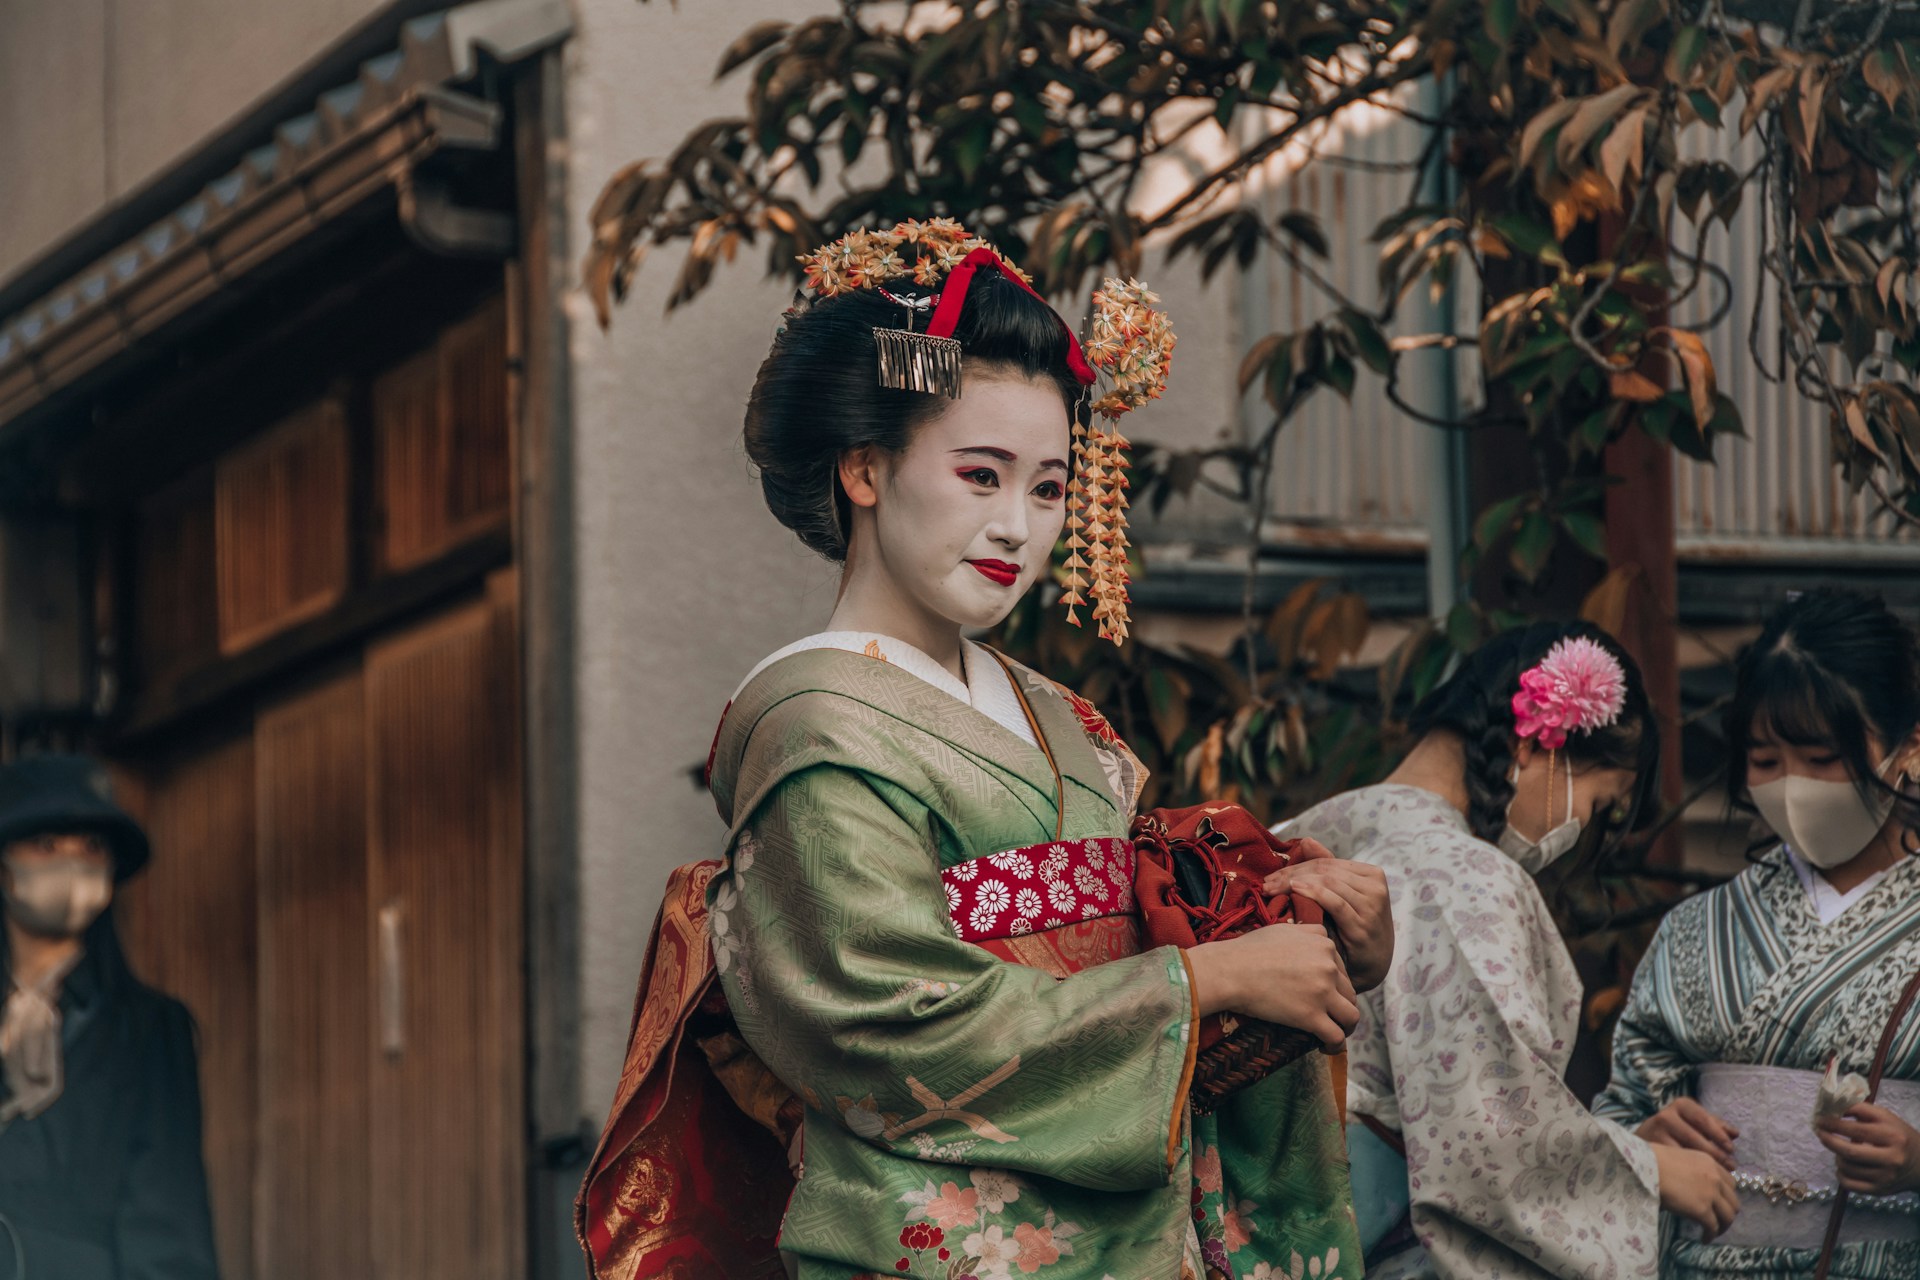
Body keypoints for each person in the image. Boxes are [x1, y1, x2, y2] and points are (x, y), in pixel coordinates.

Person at [578, 220, 1394, 1280]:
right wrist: (1201, 982)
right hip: (934, 1238)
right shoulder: (816, 725)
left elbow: (1153, 923)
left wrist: (1300, 930)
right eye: (980, 474)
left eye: (1050, 488)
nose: (1018, 525)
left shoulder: (1058, 715)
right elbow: (884, 1019)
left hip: (1136, 1232)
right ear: (865, 469)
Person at [1277, 621, 1738, 1278]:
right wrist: (1650, 1171)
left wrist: (1616, 1147)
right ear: (1537, 742)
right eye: (1602, 806)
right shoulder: (1464, 879)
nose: (1580, 838)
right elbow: (1488, 1140)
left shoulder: (1303, 835)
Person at [1593, 588, 1920, 1278]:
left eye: (1822, 757)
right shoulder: (1697, 928)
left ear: (1908, 747)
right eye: (1767, 761)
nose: (1793, 786)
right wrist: (1645, 1140)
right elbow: (1623, 1104)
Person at [0, 753, 218, 1280]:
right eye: (47, 845)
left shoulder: (147, 1031)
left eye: (92, 849)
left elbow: (169, 1230)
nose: (70, 864)